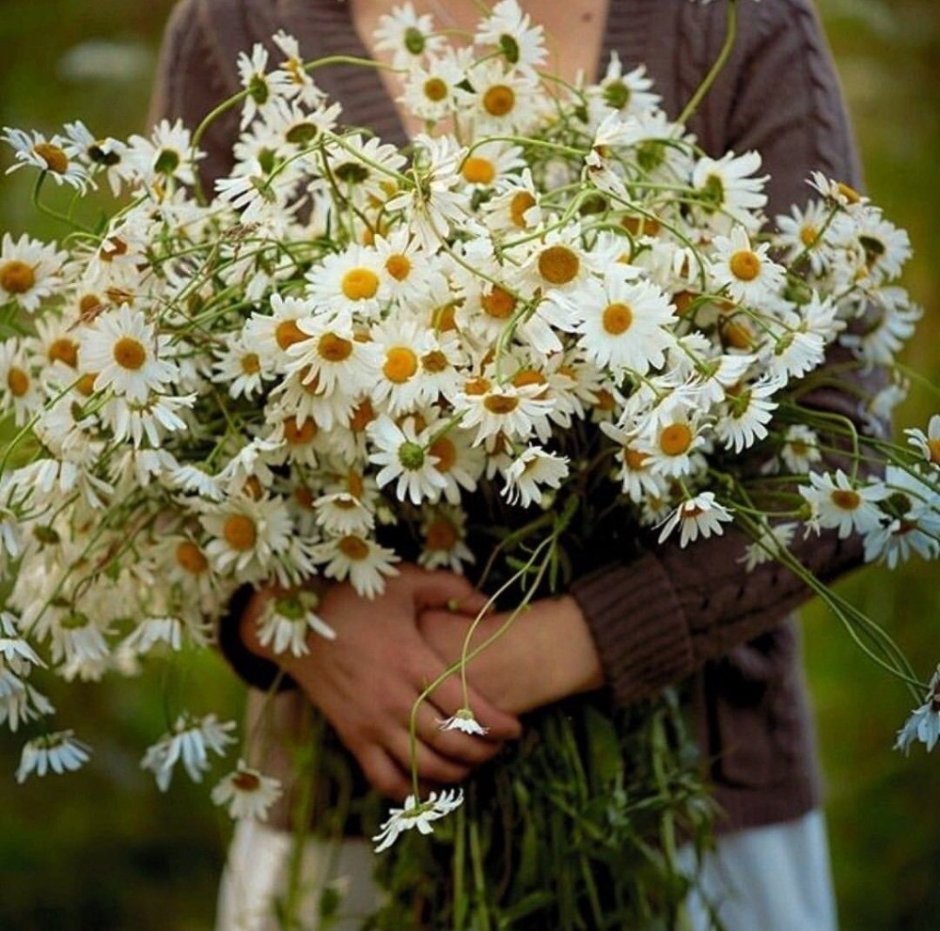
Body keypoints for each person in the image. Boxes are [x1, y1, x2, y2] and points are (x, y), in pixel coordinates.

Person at [149, 1, 873, 928]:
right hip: (353, 809)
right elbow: (169, 430)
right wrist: (294, 616)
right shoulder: (237, 26)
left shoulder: (736, 25)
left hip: (691, 807)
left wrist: (562, 647)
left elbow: (836, 455)